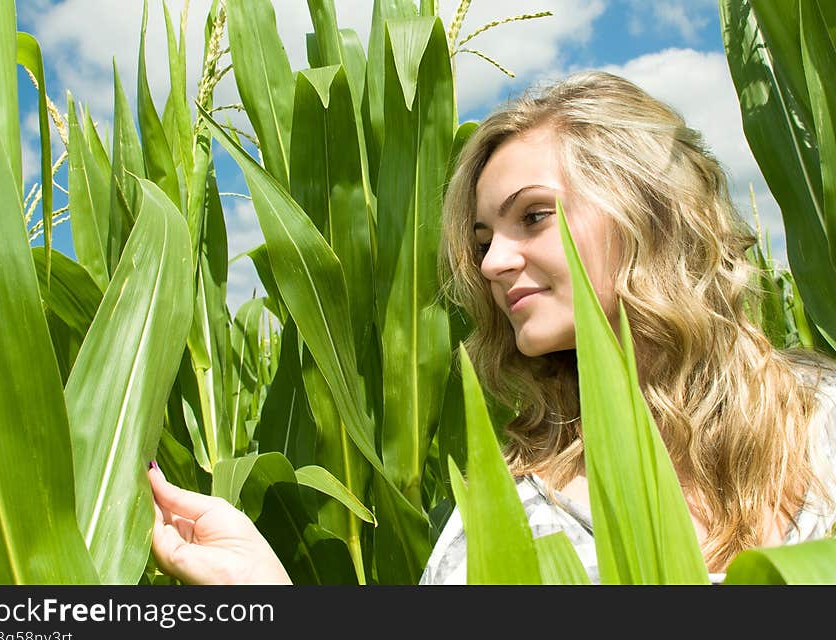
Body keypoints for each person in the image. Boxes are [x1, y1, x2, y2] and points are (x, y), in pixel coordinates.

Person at [148, 71, 836, 585]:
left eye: (533, 215)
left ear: (650, 212)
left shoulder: (822, 421)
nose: (493, 262)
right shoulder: (515, 506)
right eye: (482, 238)